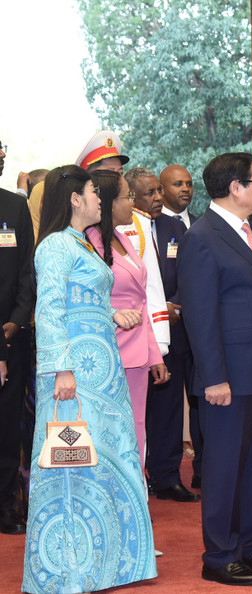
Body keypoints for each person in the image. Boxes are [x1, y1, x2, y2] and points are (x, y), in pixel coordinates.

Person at [23, 165, 156, 593]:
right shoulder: (56, 246)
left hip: (102, 374)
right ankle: (68, 571)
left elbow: (82, 300)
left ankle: (107, 563)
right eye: (92, 193)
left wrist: (110, 313)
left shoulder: (81, 243)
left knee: (105, 463)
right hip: (73, 377)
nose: (100, 198)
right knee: (72, 467)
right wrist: (61, 368)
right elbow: (50, 310)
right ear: (75, 199)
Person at [178, 152, 252, 586]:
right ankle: (220, 556)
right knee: (226, 470)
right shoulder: (203, 237)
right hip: (229, 379)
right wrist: (215, 378)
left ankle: (250, 545)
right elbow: (200, 315)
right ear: (236, 188)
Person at [126, 168, 201, 501]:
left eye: (159, 191)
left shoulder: (175, 228)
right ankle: (134, 476)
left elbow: (191, 272)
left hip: (176, 330)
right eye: (148, 193)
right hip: (134, 334)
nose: (157, 198)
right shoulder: (120, 230)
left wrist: (177, 304)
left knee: (170, 407)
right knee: (139, 411)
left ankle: (167, 475)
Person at [86, 170, 169, 468]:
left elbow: (141, 300)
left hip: (136, 353)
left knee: (135, 430)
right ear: (107, 203)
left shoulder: (123, 237)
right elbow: (83, 301)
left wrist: (154, 354)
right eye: (127, 197)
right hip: (108, 354)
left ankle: (134, 499)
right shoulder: (87, 243)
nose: (132, 204)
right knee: (109, 435)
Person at [0, 139, 35, 535]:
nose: (2, 157)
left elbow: (26, 270)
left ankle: (6, 503)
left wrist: (17, 317)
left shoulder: (14, 205)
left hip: (13, 333)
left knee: (9, 425)